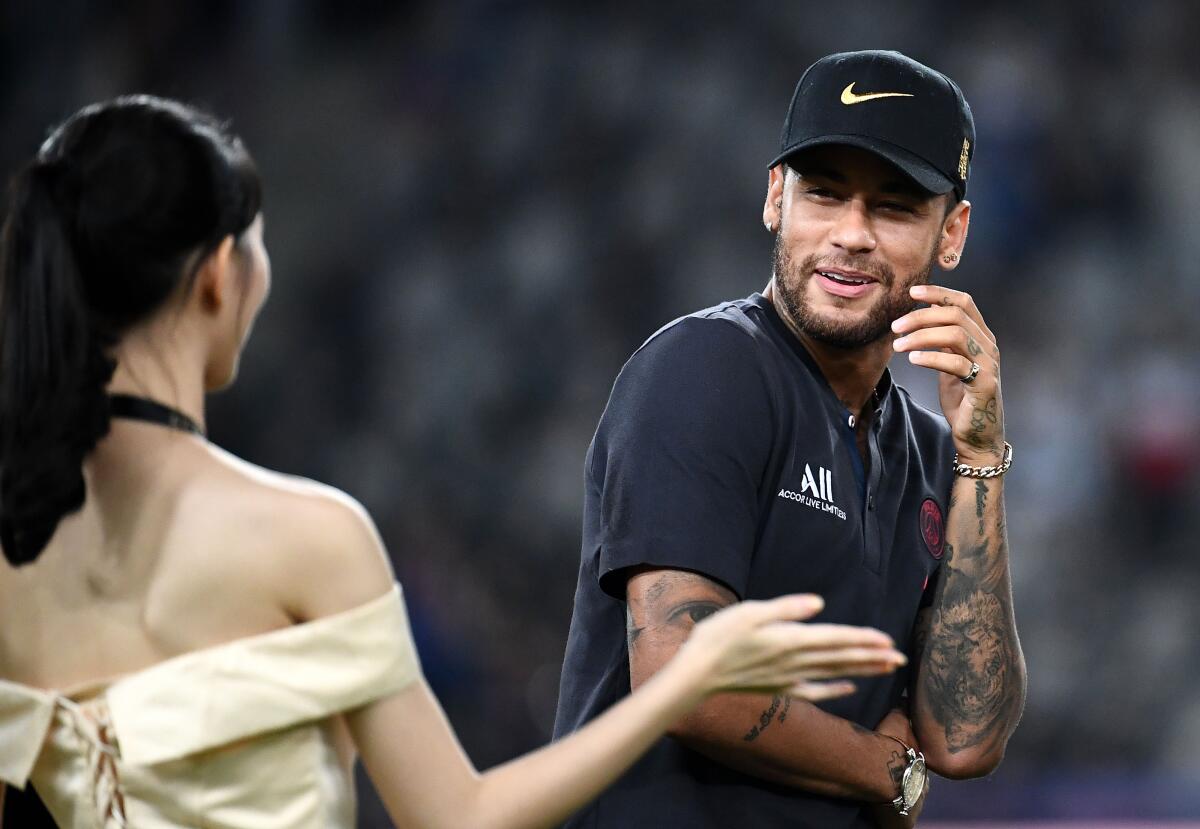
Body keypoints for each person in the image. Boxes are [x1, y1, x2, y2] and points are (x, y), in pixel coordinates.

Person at [0, 95, 909, 829]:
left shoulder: (18, 540)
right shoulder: (305, 535)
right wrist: (691, 681)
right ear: (215, 275)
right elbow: (457, 816)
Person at [553, 49, 1027, 828]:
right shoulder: (706, 368)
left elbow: (969, 739)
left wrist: (982, 458)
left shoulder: (938, 455)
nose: (850, 234)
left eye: (895, 206)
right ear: (776, 196)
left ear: (953, 233)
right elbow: (687, 679)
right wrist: (888, 769)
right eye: (825, 193)